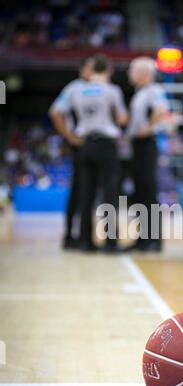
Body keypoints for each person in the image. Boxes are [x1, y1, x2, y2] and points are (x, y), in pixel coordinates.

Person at [51, 55, 128, 252]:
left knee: (86, 193)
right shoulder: (112, 90)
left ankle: (85, 240)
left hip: (84, 143)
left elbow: (56, 111)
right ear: (108, 70)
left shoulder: (76, 89)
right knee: (110, 192)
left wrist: (70, 137)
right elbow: (121, 118)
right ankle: (110, 242)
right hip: (106, 143)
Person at [49, 56, 95, 249]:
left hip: (95, 145)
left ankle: (85, 235)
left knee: (90, 192)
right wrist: (70, 137)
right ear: (82, 70)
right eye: (91, 68)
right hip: (81, 145)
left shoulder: (101, 90)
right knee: (79, 191)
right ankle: (70, 235)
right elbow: (55, 112)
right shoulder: (74, 88)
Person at [127, 57, 170, 252]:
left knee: (147, 191)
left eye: (132, 70)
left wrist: (148, 128)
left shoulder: (154, 90)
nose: (130, 73)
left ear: (144, 72)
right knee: (140, 192)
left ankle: (153, 240)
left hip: (146, 144)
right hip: (138, 144)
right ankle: (143, 238)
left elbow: (162, 110)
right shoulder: (141, 92)